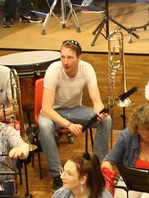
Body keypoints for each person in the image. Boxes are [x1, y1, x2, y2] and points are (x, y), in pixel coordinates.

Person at [38, 40, 111, 182]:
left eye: (70, 58)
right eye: (62, 57)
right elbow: (46, 109)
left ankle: (96, 167)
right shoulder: (53, 70)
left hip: (75, 109)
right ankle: (57, 175)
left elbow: (97, 101)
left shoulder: (87, 69)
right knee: (45, 127)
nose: (65, 62)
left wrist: (99, 112)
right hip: (54, 112)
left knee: (106, 120)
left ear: (79, 58)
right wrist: (69, 125)